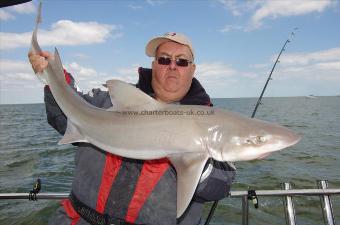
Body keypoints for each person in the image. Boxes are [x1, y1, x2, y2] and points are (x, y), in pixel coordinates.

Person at [28, 32, 236, 225]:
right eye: (164, 59)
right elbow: (64, 117)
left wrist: (192, 156)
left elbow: (220, 185)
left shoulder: (212, 122)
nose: (172, 66)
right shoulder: (111, 100)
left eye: (181, 61)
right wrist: (53, 77)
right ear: (154, 65)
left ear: (192, 68)